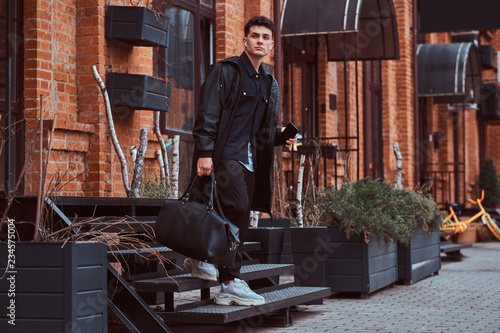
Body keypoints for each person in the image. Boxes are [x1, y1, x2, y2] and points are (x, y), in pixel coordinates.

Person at [183, 15, 297, 306]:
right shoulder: (227, 71)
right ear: (245, 40)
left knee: (237, 215)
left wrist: (281, 135)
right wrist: (205, 152)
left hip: (249, 161)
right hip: (224, 156)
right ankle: (223, 273)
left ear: (271, 44)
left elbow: (261, 130)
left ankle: (222, 278)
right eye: (255, 36)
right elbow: (208, 113)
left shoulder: (268, 82)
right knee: (238, 207)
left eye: (266, 37)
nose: (260, 41)